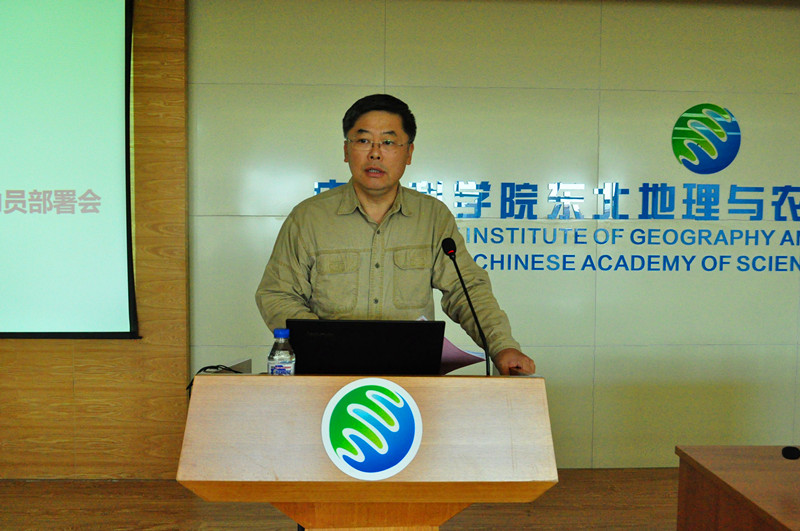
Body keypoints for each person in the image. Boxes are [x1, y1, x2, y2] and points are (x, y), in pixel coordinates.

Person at [255, 94, 535, 375]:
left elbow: (466, 291)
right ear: (346, 150)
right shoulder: (309, 218)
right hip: (328, 375)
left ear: (408, 153)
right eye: (363, 140)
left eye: (388, 142)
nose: (375, 153)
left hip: (412, 379)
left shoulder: (432, 217)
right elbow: (277, 294)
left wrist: (502, 346)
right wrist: (326, 343)